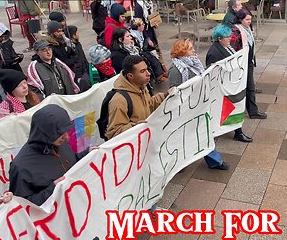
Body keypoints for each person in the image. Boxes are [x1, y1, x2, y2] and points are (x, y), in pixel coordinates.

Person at [9, 104, 90, 206]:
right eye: (60, 134)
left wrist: (87, 154)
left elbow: (70, 162)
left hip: (76, 203)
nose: (66, 137)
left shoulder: (59, 143)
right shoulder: (20, 167)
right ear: (45, 133)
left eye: (66, 131)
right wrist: (53, 189)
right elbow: (22, 206)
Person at [168, 39, 229, 170]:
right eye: (190, 49)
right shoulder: (176, 70)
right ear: (182, 52)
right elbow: (174, 92)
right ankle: (210, 161)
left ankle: (213, 161)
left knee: (202, 134)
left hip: (198, 106)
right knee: (199, 135)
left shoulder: (193, 63)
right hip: (187, 110)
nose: (194, 51)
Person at [206, 24, 253, 143]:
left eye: (229, 36)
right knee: (227, 109)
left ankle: (237, 131)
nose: (230, 38)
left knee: (234, 107)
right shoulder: (214, 52)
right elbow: (212, 72)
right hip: (222, 88)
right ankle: (224, 131)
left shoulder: (227, 46)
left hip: (230, 85)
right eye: (227, 37)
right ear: (219, 39)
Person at [106, 55, 166, 140]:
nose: (148, 74)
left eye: (147, 69)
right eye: (142, 71)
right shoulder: (119, 100)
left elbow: (149, 105)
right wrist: (136, 127)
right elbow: (114, 133)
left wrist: (165, 96)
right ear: (130, 76)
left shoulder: (141, 87)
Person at [230, 9, 267, 120]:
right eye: (247, 19)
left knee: (249, 87)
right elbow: (234, 49)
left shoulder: (247, 28)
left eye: (250, 19)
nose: (249, 21)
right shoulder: (237, 31)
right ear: (240, 19)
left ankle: (251, 110)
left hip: (248, 62)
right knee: (249, 88)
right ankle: (252, 111)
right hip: (242, 64)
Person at [129, 18, 167, 82]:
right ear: (138, 26)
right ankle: (158, 76)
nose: (144, 25)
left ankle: (162, 72)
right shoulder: (133, 36)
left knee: (155, 55)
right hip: (140, 52)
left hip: (144, 49)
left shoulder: (140, 32)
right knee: (152, 59)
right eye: (142, 24)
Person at [65, 25, 91, 92]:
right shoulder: (69, 48)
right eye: (77, 32)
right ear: (73, 35)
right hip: (78, 74)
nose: (78, 34)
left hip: (84, 70)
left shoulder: (78, 44)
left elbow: (83, 56)